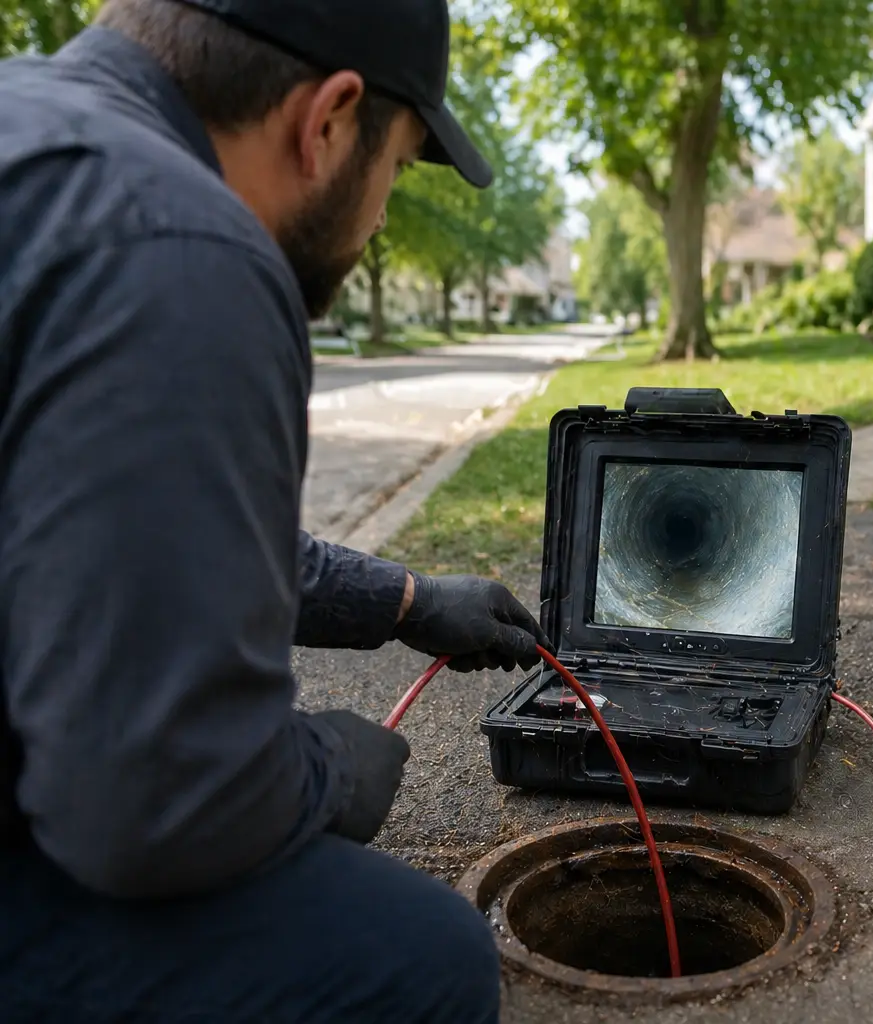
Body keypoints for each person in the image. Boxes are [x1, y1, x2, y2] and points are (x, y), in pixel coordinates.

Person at [0, 0, 545, 1020]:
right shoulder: (181, 248)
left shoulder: (36, 137)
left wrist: (407, 600)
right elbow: (154, 799)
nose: (380, 217)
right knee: (420, 955)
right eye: (395, 167)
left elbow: (137, 535)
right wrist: (326, 771)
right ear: (330, 119)